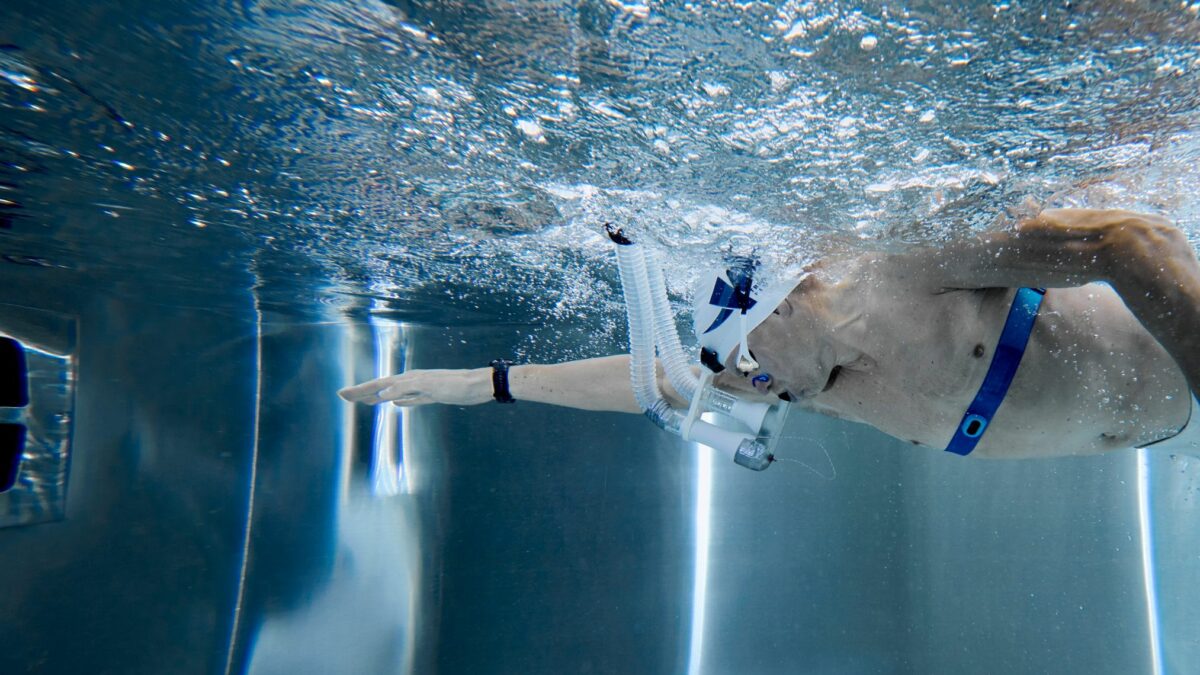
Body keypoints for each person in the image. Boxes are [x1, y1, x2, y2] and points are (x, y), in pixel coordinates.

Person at [340, 208, 1200, 459]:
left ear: (795, 295)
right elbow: (665, 381)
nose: (752, 381)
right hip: (1158, 428)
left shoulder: (903, 265)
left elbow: (1132, 242)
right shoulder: (805, 373)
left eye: (748, 351)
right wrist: (484, 383)